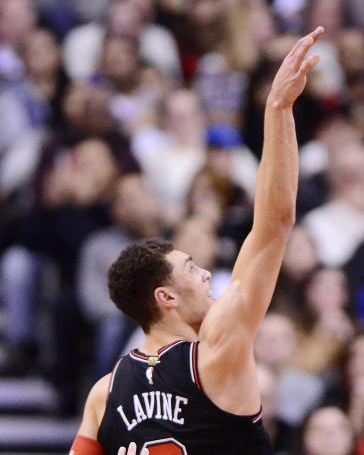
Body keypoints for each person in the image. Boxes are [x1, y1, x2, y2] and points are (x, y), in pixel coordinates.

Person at [69, 27, 324, 454]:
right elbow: (275, 224)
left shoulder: (105, 394)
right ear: (166, 296)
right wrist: (278, 109)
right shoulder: (216, 350)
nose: (206, 274)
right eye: (191, 268)